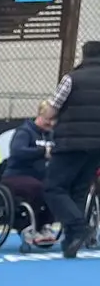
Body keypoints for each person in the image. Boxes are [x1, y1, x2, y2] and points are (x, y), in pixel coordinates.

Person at [42, 40, 100, 258]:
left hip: (71, 142)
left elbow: (51, 110)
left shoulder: (72, 78)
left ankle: (77, 227)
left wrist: (49, 116)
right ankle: (71, 241)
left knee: (53, 187)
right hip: (97, 145)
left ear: (84, 55)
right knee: (79, 189)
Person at [2, 102, 58, 246]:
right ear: (40, 115)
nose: (51, 123)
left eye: (54, 120)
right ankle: (29, 226)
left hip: (41, 176)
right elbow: (18, 151)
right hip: (16, 175)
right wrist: (42, 152)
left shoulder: (51, 135)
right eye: (48, 119)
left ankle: (46, 225)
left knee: (56, 187)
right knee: (37, 188)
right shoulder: (25, 132)